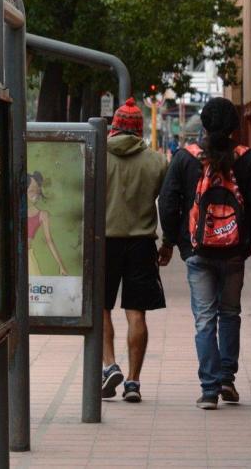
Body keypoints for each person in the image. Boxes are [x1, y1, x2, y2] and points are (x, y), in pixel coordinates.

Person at [158, 97, 251, 410]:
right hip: (234, 252)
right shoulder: (247, 159)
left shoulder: (185, 158)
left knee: (204, 319)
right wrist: (246, 242)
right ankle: (226, 379)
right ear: (235, 126)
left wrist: (176, 242)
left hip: (197, 251)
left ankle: (209, 390)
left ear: (204, 125)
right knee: (230, 313)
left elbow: (168, 203)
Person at [102, 97, 169, 403]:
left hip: (103, 241)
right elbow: (167, 205)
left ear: (114, 127)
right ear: (140, 130)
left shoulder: (97, 156)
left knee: (100, 307)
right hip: (141, 243)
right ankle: (133, 381)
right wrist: (168, 244)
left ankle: (109, 365)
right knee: (136, 312)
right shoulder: (156, 162)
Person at [27, 172, 68, 276]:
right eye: (31, 190)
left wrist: (61, 265)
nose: (35, 194)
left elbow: (49, 241)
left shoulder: (43, 215)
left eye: (37, 190)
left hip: (28, 257)